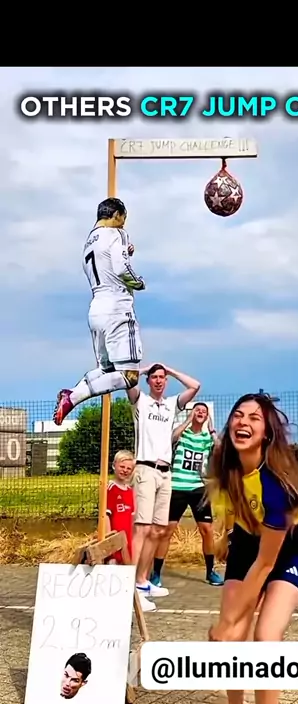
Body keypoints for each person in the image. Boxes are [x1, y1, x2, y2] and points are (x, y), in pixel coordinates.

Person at [206, 393, 298, 704]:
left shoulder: (276, 486)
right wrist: (225, 534)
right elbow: (229, 505)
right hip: (246, 544)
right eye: (238, 415)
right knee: (232, 640)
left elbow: (266, 563)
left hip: (289, 550)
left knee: (266, 637)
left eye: (254, 418)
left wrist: (226, 623)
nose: (243, 422)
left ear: (267, 433)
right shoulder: (226, 465)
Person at [53, 197, 145, 426]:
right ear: (116, 214)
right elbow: (121, 269)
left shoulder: (89, 242)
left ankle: (71, 393)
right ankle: (74, 397)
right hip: (117, 308)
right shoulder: (118, 234)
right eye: (123, 218)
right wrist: (138, 282)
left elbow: (105, 263)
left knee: (107, 370)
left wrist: (125, 252)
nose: (124, 223)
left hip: (96, 309)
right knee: (130, 376)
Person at [127, 362, 201, 611]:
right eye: (154, 377)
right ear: (148, 381)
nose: (159, 380)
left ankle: (142, 581)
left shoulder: (171, 404)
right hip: (146, 468)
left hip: (165, 472)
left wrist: (171, 370)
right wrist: (144, 369)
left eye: (162, 377)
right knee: (142, 528)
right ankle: (130, 589)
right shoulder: (141, 401)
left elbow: (195, 386)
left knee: (158, 529)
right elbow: (127, 378)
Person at [156, 402, 223, 586]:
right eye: (197, 410)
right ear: (192, 413)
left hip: (198, 488)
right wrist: (187, 420)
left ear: (207, 416)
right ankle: (156, 573)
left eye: (204, 411)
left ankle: (210, 572)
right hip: (177, 486)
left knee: (207, 530)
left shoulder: (207, 438)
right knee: (167, 531)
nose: (200, 412)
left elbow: (219, 448)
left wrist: (212, 430)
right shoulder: (182, 434)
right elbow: (172, 437)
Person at [105, 450, 136, 565]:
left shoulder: (130, 491)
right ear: (114, 465)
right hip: (115, 539)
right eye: (122, 467)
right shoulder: (111, 488)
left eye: (129, 468)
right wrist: (109, 539)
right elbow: (105, 516)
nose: (125, 470)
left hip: (128, 539)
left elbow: (132, 518)